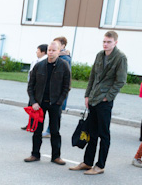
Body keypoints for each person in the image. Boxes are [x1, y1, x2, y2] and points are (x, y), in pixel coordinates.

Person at [70, 31, 127, 176]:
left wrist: (108, 97)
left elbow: (120, 81)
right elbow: (92, 76)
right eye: (104, 41)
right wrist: (87, 95)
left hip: (104, 102)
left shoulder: (120, 58)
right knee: (91, 133)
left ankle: (100, 165)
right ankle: (87, 162)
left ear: (115, 42)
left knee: (104, 134)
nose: (105, 44)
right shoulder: (100, 55)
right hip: (93, 99)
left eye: (108, 42)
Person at [24, 40, 71, 166]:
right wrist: (33, 102)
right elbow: (30, 86)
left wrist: (59, 102)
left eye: (53, 50)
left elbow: (67, 86)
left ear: (58, 51)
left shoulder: (64, 65)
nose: (51, 52)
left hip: (55, 103)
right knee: (37, 131)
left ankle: (56, 156)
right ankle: (35, 154)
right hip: (39, 104)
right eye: (49, 50)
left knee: (55, 131)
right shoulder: (39, 65)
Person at [21, 44, 48, 130]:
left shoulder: (45, 62)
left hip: (39, 88)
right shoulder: (35, 61)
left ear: (43, 52)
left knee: (37, 108)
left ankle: (35, 125)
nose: (36, 52)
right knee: (31, 106)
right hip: (32, 86)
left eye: (38, 50)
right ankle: (30, 123)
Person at [54, 36, 73, 112]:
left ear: (63, 46)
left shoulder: (65, 58)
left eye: (57, 44)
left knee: (56, 112)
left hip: (59, 87)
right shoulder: (56, 55)